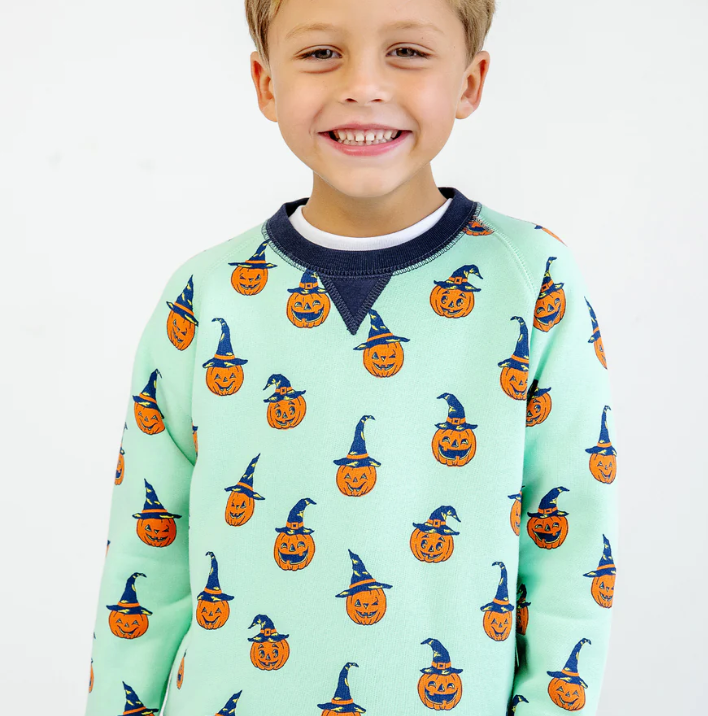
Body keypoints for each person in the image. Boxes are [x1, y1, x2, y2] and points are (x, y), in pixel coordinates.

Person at [84, 0, 620, 713]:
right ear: (266, 83)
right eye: (321, 54)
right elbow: (146, 559)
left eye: (407, 52)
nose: (363, 85)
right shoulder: (204, 295)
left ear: (469, 82)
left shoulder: (532, 280)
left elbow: (571, 556)